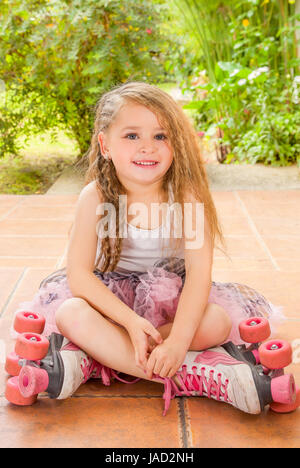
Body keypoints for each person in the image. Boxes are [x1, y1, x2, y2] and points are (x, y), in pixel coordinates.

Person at [12, 81, 285, 413]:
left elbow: (199, 278)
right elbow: (80, 277)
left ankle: (101, 360)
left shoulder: (187, 199)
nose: (147, 147)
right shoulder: (95, 197)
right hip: (111, 308)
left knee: (216, 322)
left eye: (160, 136)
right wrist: (129, 321)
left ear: (175, 144)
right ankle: (195, 374)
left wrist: (178, 342)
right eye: (131, 136)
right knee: (71, 313)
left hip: (172, 306)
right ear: (105, 144)